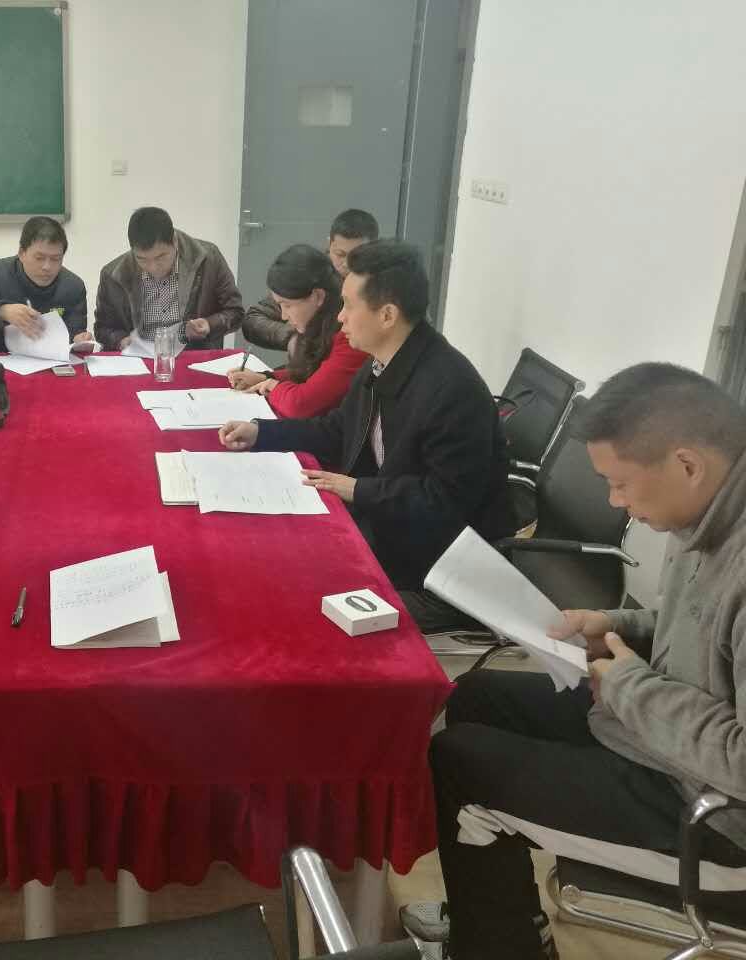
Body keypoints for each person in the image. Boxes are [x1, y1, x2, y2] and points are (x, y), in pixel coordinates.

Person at [407, 364, 746, 960]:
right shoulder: (706, 513)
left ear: (687, 465)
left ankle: (498, 947)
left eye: (621, 484)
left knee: (460, 766)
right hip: (657, 737)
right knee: (476, 696)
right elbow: (697, 625)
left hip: (714, 819)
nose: (617, 503)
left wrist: (629, 685)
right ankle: (502, 919)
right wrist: (614, 626)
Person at [218, 240, 513, 629]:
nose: (339, 317)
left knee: (295, 599)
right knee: (265, 556)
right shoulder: (382, 363)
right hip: (389, 528)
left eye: (348, 306)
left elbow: (443, 501)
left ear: (387, 315)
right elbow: (339, 428)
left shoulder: (450, 388)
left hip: (436, 570)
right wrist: (261, 433)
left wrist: (357, 489)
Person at [227, 244, 367, 419]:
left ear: (318, 296)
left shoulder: (350, 337)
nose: (283, 316)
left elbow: (301, 405)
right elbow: (312, 373)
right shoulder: (320, 323)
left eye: (287, 305)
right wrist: (265, 377)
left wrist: (273, 386)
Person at [93, 206, 244, 351]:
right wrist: (121, 340)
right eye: (142, 259)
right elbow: (103, 328)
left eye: (161, 257)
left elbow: (235, 311)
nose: (153, 267)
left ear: (174, 241)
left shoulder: (208, 259)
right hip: (138, 360)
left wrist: (209, 324)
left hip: (193, 355)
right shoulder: (113, 275)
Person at [242, 208, 379, 351]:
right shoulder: (312, 271)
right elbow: (253, 319)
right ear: (329, 244)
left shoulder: (382, 284)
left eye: (357, 256)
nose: (347, 264)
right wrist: (295, 338)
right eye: (340, 254)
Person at [0, 216, 92, 351]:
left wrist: (79, 342)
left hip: (51, 362)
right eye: (39, 258)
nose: (47, 267)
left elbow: (74, 335)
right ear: (22, 253)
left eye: (55, 259)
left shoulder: (73, 286)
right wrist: (1, 311)